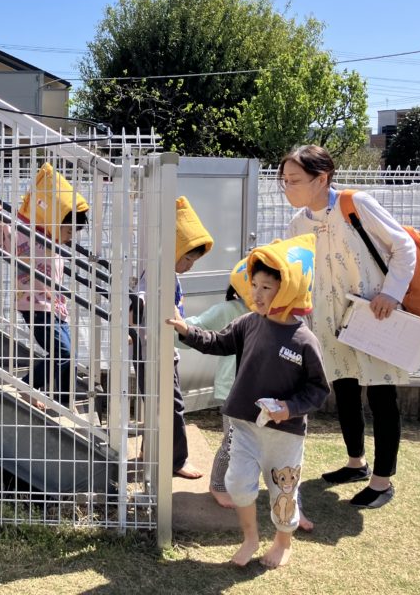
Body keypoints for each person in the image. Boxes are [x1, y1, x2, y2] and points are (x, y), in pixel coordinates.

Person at [167, 234, 329, 568]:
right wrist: (185, 330)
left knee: (283, 493)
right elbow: (216, 342)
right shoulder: (248, 323)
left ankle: (283, 542)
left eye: (266, 287)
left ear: (289, 289)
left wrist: (289, 408)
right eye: (254, 285)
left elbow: (318, 389)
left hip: (285, 434)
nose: (256, 293)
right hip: (244, 425)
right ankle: (250, 539)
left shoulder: (304, 340)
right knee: (238, 485)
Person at [280, 144, 416, 510]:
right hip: (328, 321)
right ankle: (356, 463)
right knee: (344, 389)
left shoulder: (356, 204)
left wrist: (391, 293)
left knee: (382, 394)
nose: (287, 187)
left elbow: (404, 246)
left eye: (294, 180)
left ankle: (382, 482)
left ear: (321, 178)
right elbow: (295, 274)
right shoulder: (298, 225)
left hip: (374, 314)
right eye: (284, 181)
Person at [0, 163, 88, 408]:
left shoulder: (52, 241)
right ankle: (28, 387)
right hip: (35, 307)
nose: (71, 236)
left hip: (55, 307)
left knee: (69, 355)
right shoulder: (29, 235)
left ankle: (64, 403)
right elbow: (6, 241)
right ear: (56, 223)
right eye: (69, 230)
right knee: (62, 353)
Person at [134, 196, 214, 478]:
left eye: (194, 260)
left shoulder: (163, 272)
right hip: (157, 350)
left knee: (157, 403)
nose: (190, 264)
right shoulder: (159, 275)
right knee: (172, 405)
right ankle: (177, 460)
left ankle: (149, 450)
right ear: (173, 249)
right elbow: (139, 303)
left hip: (156, 349)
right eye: (187, 257)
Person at [184, 281, 249, 507]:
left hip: (260, 390)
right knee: (232, 439)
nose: (259, 291)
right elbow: (199, 325)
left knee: (250, 443)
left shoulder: (275, 312)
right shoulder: (230, 310)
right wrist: (177, 327)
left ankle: (238, 483)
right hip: (232, 388)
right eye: (255, 284)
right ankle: (218, 484)